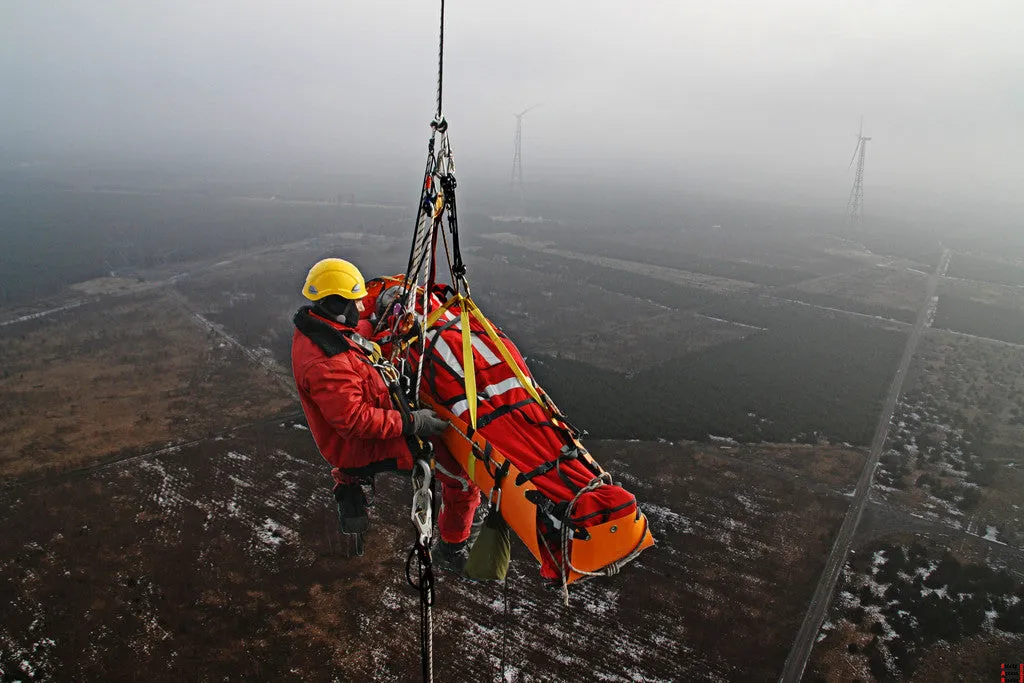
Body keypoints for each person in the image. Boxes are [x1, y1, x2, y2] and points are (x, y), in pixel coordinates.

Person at [290, 257, 481, 571]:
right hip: (364, 443)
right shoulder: (326, 363)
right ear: (337, 306)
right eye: (353, 302)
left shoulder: (320, 327)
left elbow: (355, 332)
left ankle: (352, 480)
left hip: (366, 424)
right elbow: (355, 421)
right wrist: (412, 422)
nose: (359, 306)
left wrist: (382, 309)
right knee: (462, 479)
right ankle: (453, 545)